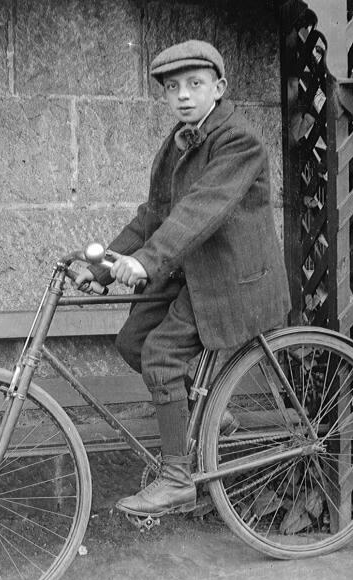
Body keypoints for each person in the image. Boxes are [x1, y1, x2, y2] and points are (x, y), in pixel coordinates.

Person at [76, 40, 291, 519]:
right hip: (192, 270)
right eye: (173, 88)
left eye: (194, 84)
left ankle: (176, 480)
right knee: (133, 341)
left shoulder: (239, 140)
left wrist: (149, 262)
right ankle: (210, 413)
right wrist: (105, 266)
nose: (183, 96)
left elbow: (202, 210)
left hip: (230, 277)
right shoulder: (181, 139)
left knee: (161, 354)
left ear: (219, 87)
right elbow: (155, 214)